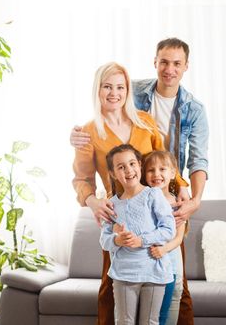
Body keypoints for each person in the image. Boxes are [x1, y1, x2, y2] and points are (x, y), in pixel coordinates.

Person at [71, 38, 208, 325]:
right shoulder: (87, 132)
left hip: (160, 214)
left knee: (174, 287)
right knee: (113, 288)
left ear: (128, 90)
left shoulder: (145, 122)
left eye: (120, 87)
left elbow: (164, 162)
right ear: (97, 89)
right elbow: (81, 179)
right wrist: (94, 201)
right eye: (107, 86)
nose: (114, 92)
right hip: (119, 218)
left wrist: (182, 185)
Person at [100, 144, 176, 325]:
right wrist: (117, 240)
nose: (128, 170)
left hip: (154, 271)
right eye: (121, 167)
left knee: (149, 322)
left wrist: (141, 240)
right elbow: (104, 241)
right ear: (113, 173)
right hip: (124, 273)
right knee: (124, 321)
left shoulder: (154, 195)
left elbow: (168, 229)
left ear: (139, 165)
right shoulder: (111, 205)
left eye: (132, 163)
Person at [143, 151, 187, 325]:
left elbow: (178, 238)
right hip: (152, 263)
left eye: (162, 169)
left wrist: (164, 249)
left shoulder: (178, 203)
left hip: (172, 259)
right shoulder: (144, 200)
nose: (156, 174)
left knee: (175, 296)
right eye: (151, 170)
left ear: (173, 172)